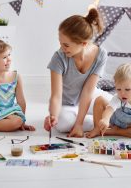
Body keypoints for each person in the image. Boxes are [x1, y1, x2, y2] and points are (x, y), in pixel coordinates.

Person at [44, 8, 113, 137]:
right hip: (67, 102)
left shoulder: (101, 54)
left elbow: (88, 92)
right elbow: (56, 95)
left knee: (117, 107)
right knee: (63, 123)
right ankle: (100, 122)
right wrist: (53, 115)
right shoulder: (59, 57)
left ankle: (90, 120)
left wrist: (80, 124)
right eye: (60, 43)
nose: (61, 48)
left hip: (90, 96)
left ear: (83, 43)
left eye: (66, 45)